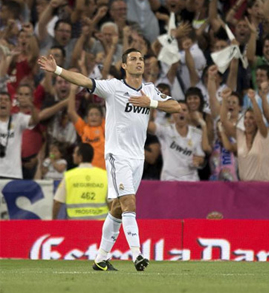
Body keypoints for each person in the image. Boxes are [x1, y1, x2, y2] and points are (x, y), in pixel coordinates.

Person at [38, 48, 181, 271]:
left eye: (141, 59)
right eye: (133, 59)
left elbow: (176, 106)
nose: (139, 62)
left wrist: (151, 103)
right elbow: (85, 80)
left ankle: (101, 258)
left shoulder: (150, 90)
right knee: (129, 203)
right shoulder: (114, 87)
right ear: (124, 66)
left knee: (116, 207)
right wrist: (57, 69)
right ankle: (138, 255)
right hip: (117, 155)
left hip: (138, 158)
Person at [52, 143, 108, 220]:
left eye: (75, 153)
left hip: (76, 225)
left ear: (80, 157)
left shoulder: (69, 176)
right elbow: (112, 203)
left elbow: (57, 202)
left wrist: (53, 220)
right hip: (100, 225)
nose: (73, 155)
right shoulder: (104, 175)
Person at [0, 91, 39, 179]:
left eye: (6, 100)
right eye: (0, 100)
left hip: (14, 173)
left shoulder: (18, 118)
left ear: (11, 105)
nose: (3, 102)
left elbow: (35, 120)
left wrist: (31, 106)